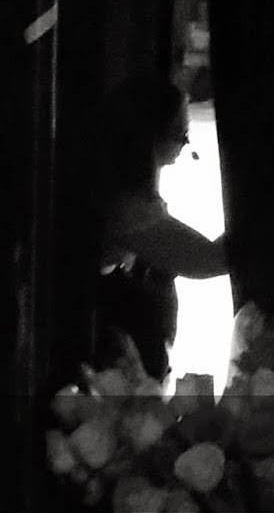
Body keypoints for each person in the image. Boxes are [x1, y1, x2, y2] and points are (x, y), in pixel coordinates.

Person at [92, 77, 228, 382]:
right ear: (151, 137)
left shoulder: (125, 196)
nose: (186, 143)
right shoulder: (128, 209)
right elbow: (205, 260)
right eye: (181, 132)